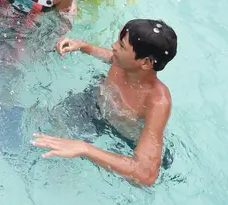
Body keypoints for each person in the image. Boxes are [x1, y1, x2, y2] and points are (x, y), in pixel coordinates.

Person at [35, 19, 177, 186]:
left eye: (122, 46)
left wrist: (84, 148)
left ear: (145, 63)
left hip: (122, 139)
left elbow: (146, 175)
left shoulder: (157, 102)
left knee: (134, 182)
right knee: (47, 127)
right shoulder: (123, 63)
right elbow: (110, 56)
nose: (113, 46)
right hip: (95, 106)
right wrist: (83, 46)